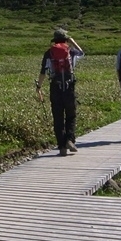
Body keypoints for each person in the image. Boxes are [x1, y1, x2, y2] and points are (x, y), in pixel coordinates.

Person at [36, 28, 85, 156]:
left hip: (55, 88)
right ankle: (70, 139)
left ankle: (62, 147)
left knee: (58, 117)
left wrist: (39, 86)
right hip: (69, 87)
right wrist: (72, 41)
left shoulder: (49, 53)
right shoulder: (71, 51)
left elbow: (43, 72)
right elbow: (82, 53)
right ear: (65, 39)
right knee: (71, 115)